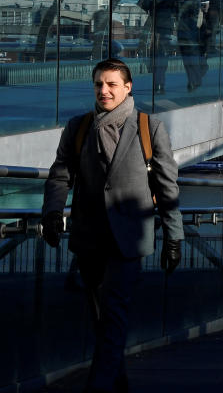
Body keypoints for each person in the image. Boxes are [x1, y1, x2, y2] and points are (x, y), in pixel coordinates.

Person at [41, 58, 183, 392]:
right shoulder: (78, 127)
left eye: (111, 85)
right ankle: (117, 384)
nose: (104, 91)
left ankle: (98, 387)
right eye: (98, 85)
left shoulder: (149, 128)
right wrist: (51, 213)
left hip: (128, 240)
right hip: (89, 238)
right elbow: (60, 174)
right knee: (102, 319)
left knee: (115, 313)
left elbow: (167, 188)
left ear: (127, 88)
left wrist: (173, 238)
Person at [138, 0, 177, 94]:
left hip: (162, 27)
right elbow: (145, 5)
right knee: (157, 56)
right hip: (158, 27)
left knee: (161, 56)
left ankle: (159, 84)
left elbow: (147, 6)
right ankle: (158, 84)